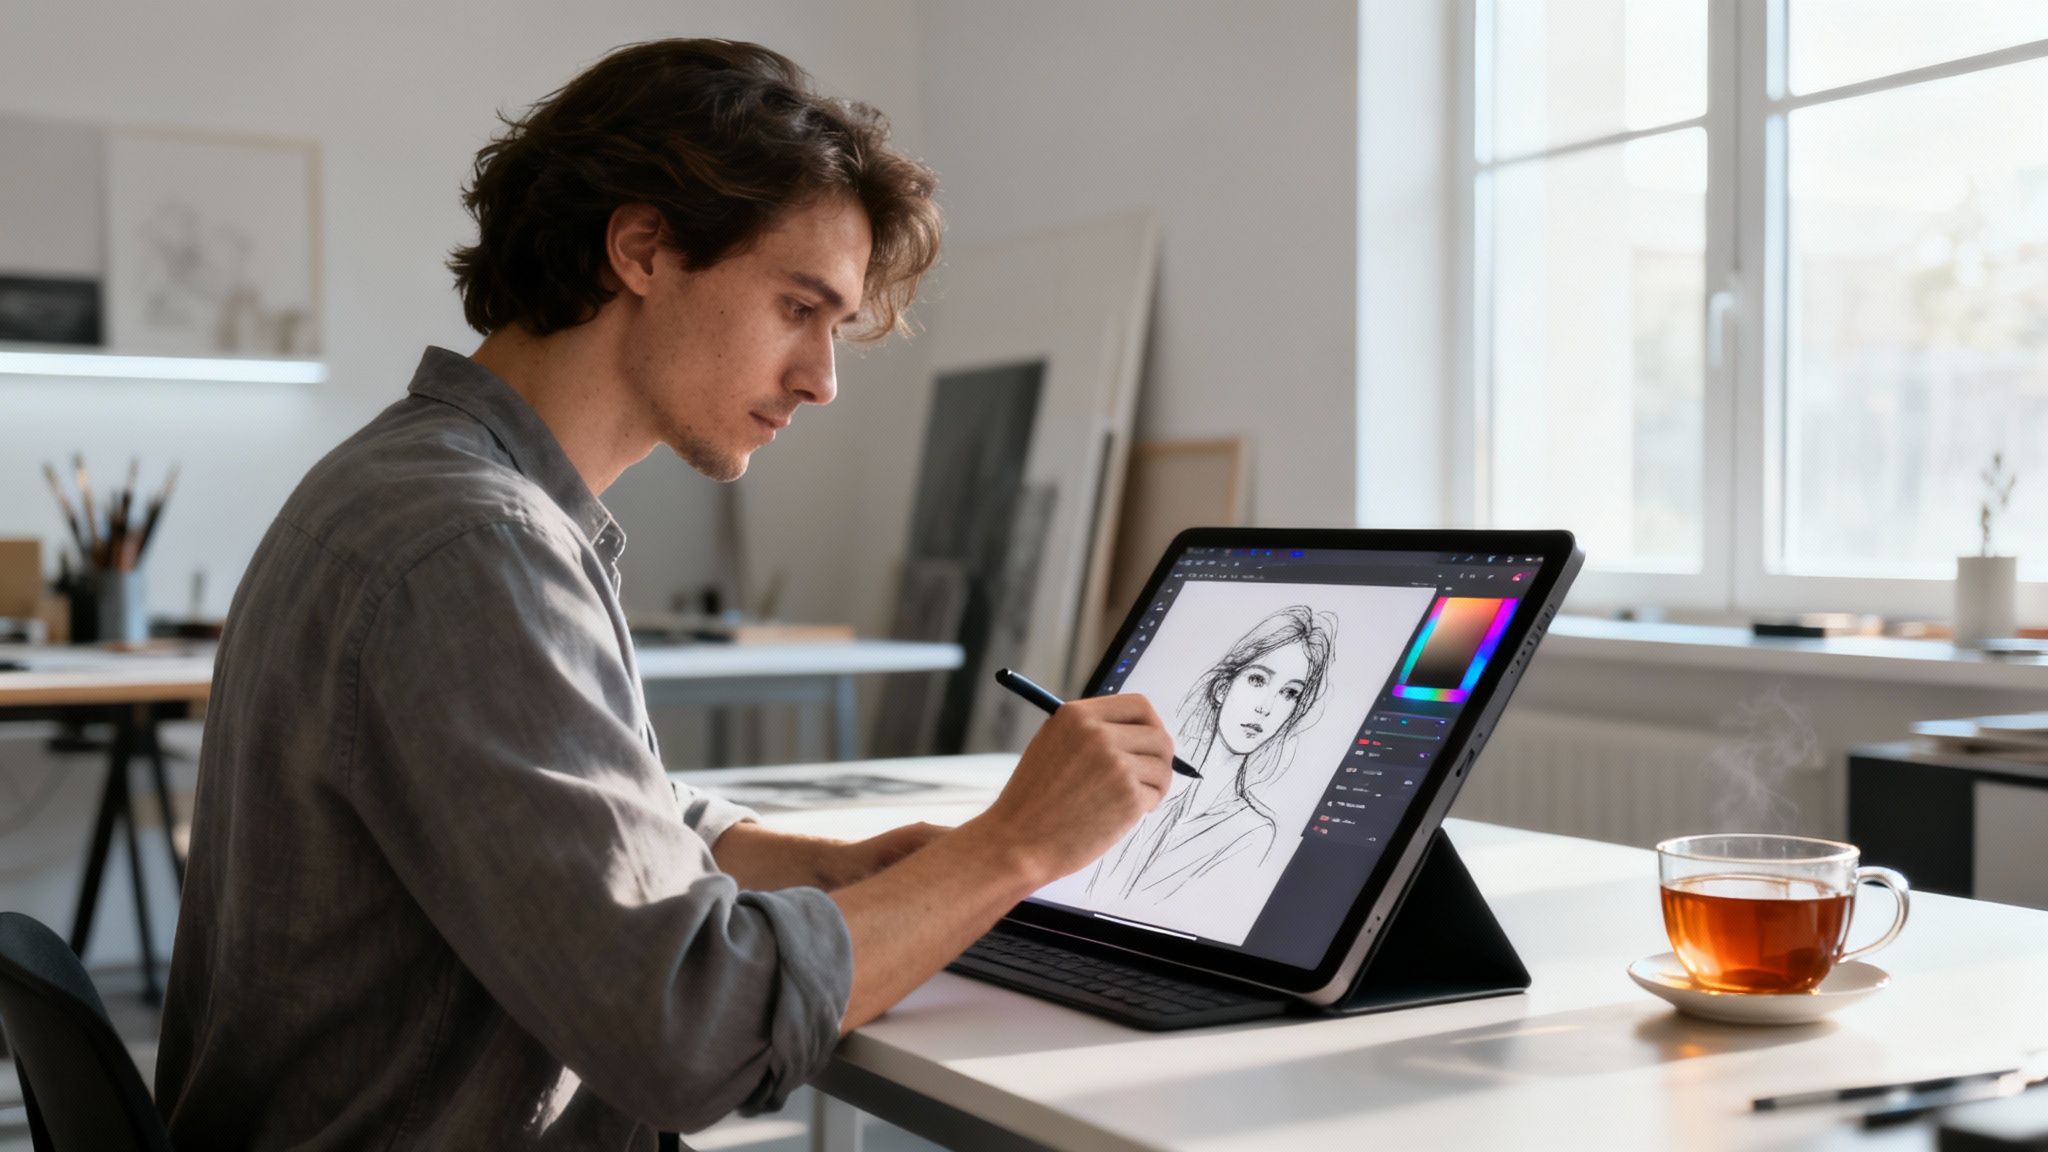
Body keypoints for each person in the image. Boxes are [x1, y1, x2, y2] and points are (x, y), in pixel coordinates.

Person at [154, 39, 1176, 1150]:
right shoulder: (469, 543)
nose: (822, 381)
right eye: (799, 307)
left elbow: (543, 821)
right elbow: (696, 1032)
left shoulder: (425, 486)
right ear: (642, 248)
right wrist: (1015, 846)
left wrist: (808, 863)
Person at [1090, 606, 1336, 901]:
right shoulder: (1154, 806)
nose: (1267, 706)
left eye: (1290, 693)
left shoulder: (1252, 833)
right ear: (1222, 689)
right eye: (1258, 680)